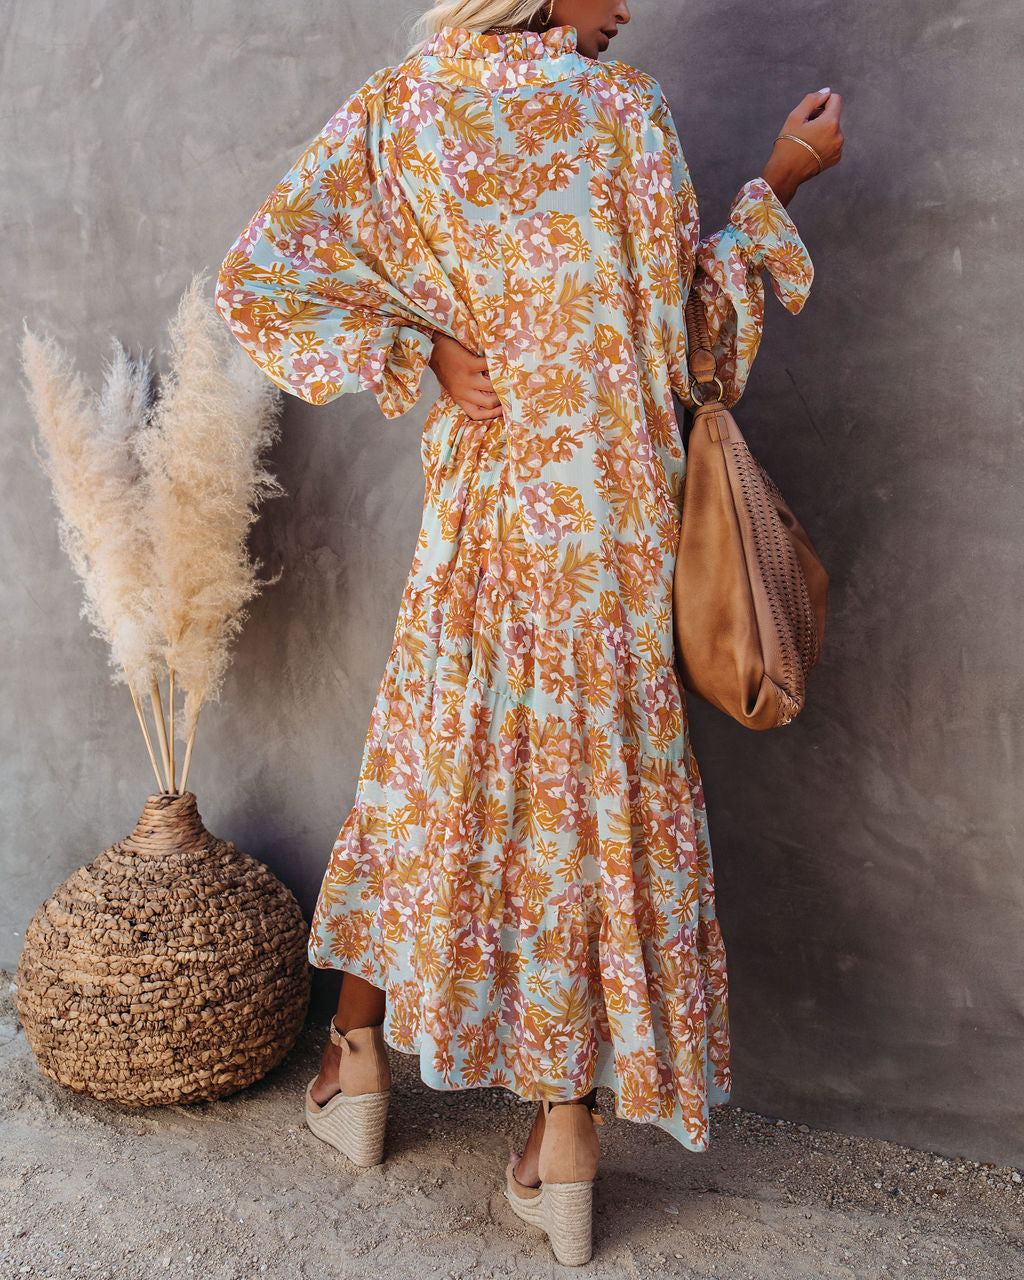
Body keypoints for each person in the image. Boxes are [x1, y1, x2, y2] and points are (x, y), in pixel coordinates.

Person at [214, 0, 843, 1265]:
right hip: (614, 529)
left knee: (430, 775)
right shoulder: (627, 113)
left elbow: (260, 280)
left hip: (488, 519)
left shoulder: (408, 104)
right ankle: (563, 1142)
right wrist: (779, 181)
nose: (627, 11)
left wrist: (418, 350)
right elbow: (691, 347)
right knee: (585, 816)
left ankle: (356, 1060)